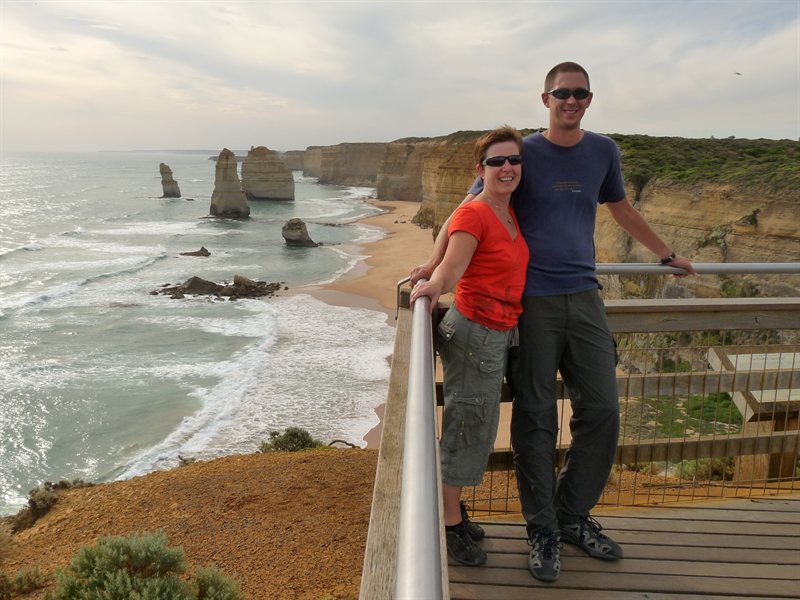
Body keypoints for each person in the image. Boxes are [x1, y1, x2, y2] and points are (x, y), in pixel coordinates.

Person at [411, 62, 696, 582]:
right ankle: (541, 528)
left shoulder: (603, 151)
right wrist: (432, 270)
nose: (571, 100)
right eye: (562, 92)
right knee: (535, 417)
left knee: (603, 408)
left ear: (590, 98)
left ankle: (571, 514)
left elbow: (622, 209)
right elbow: (465, 211)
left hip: (585, 293)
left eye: (580, 93)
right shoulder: (525, 155)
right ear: (545, 98)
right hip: (533, 302)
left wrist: (666, 251)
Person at [410, 126, 529, 567]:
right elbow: (453, 269)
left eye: (513, 160)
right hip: (475, 334)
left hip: (493, 334)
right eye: (497, 162)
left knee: (475, 426)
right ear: (481, 170)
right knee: (466, 428)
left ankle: (453, 512)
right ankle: (448, 525)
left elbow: (452, 237)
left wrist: (432, 266)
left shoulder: (505, 209)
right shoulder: (478, 213)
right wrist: (432, 282)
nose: (507, 168)